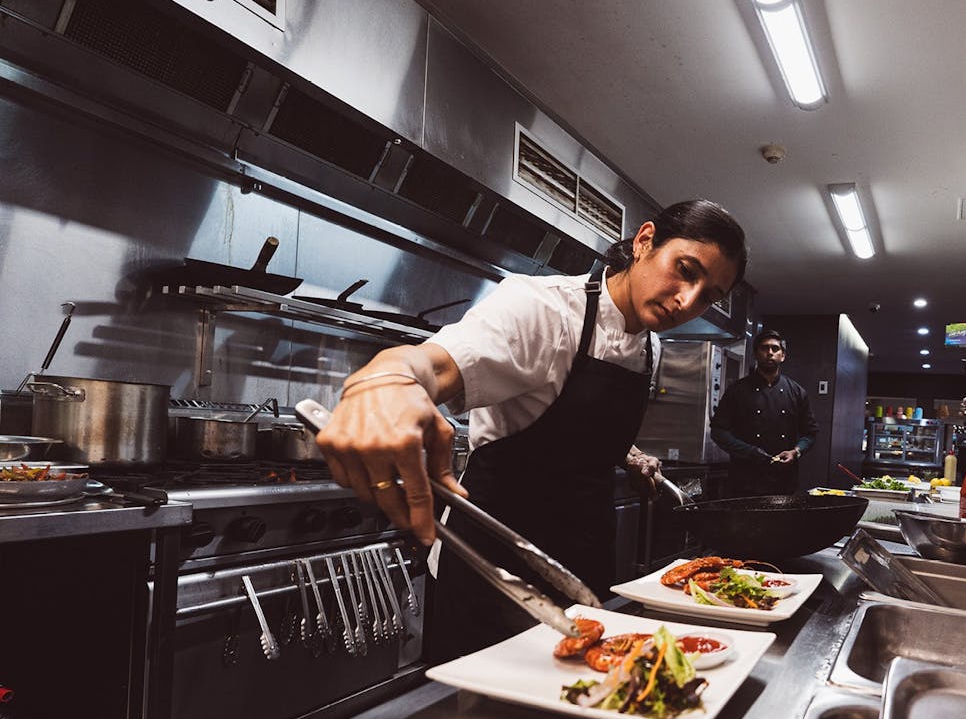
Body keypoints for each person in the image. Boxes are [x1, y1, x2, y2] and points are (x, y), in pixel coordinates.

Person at [315, 200, 748, 660]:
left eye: (708, 296)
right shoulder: (543, 308)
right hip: (492, 568)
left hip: (581, 565)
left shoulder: (650, 348)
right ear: (644, 242)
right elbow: (436, 363)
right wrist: (392, 378)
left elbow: (580, 424)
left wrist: (628, 453)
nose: (687, 301)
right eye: (685, 270)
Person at [710, 328, 818, 497]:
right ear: (756, 354)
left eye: (775, 349)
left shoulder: (797, 392)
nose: (770, 353)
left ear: (783, 356)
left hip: (784, 482)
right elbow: (718, 431)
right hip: (744, 480)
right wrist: (748, 451)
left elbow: (810, 433)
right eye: (764, 348)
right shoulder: (737, 390)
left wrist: (796, 451)